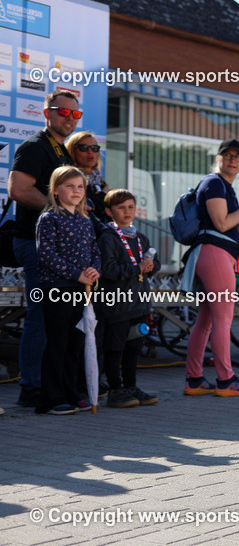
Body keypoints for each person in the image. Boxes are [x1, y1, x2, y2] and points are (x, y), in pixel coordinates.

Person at [8, 90, 80, 408]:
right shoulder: (35, 147)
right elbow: (18, 189)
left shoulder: (62, 153)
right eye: (63, 112)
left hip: (55, 247)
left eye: (75, 114)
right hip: (33, 242)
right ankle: (31, 388)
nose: (69, 118)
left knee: (56, 317)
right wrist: (59, 211)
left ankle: (54, 386)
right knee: (39, 315)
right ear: (47, 113)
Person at [184, 139, 239, 397]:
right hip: (215, 253)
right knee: (223, 318)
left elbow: (237, 228)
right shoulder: (214, 183)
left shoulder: (225, 186)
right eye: (227, 155)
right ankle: (226, 379)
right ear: (218, 158)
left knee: (207, 319)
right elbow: (221, 225)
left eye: (237, 156)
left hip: (217, 254)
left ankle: (195, 379)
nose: (232, 159)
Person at [34, 166, 100, 414]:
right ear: (55, 189)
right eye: (69, 186)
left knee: (76, 342)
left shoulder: (85, 220)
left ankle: (72, 393)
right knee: (58, 342)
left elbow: (95, 251)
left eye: (80, 187)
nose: (76, 191)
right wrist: (76, 273)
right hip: (57, 288)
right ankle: (51, 398)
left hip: (81, 289)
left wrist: (94, 270)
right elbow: (46, 254)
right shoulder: (49, 218)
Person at [96, 189, 160, 408]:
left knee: (134, 348)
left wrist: (151, 267)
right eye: (121, 208)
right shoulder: (107, 237)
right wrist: (136, 268)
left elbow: (152, 265)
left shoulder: (140, 237)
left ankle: (131, 387)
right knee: (115, 348)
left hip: (139, 304)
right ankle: (115, 390)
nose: (127, 211)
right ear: (109, 211)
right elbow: (108, 270)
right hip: (117, 305)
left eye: (131, 207)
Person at [65, 130, 108, 217]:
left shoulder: (101, 182)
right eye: (83, 148)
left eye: (94, 148)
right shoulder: (67, 179)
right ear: (72, 151)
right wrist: (102, 195)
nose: (90, 152)